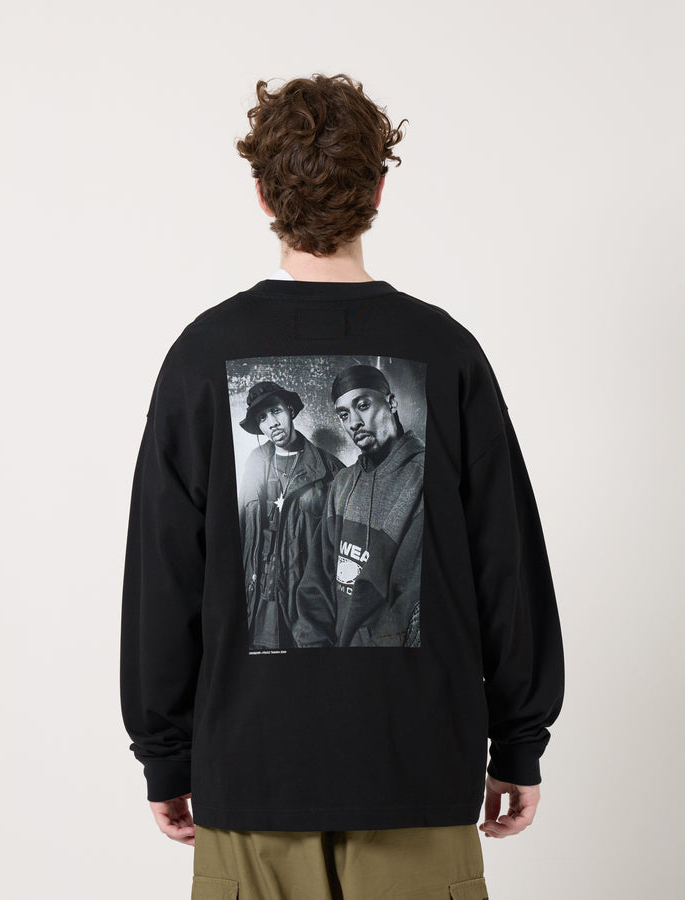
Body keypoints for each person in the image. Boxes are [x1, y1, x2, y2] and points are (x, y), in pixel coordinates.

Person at [120, 72, 565, 900]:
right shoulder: (448, 350)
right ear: (379, 191)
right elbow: (506, 563)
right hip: (417, 770)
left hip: (251, 774)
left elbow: (161, 574)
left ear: (262, 195)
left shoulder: (198, 356)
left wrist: (165, 753)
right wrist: (519, 739)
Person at [292, 364, 425, 648]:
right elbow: (315, 584)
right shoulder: (342, 483)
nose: (353, 422)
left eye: (363, 405)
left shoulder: (424, 478)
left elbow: (411, 603)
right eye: (343, 414)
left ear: (391, 403)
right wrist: (316, 654)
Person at [236, 379, 344, 649]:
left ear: (290, 411)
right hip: (258, 603)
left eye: (276, 411)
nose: (271, 423)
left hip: (304, 607)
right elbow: (240, 533)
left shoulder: (329, 469)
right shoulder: (255, 463)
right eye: (262, 418)